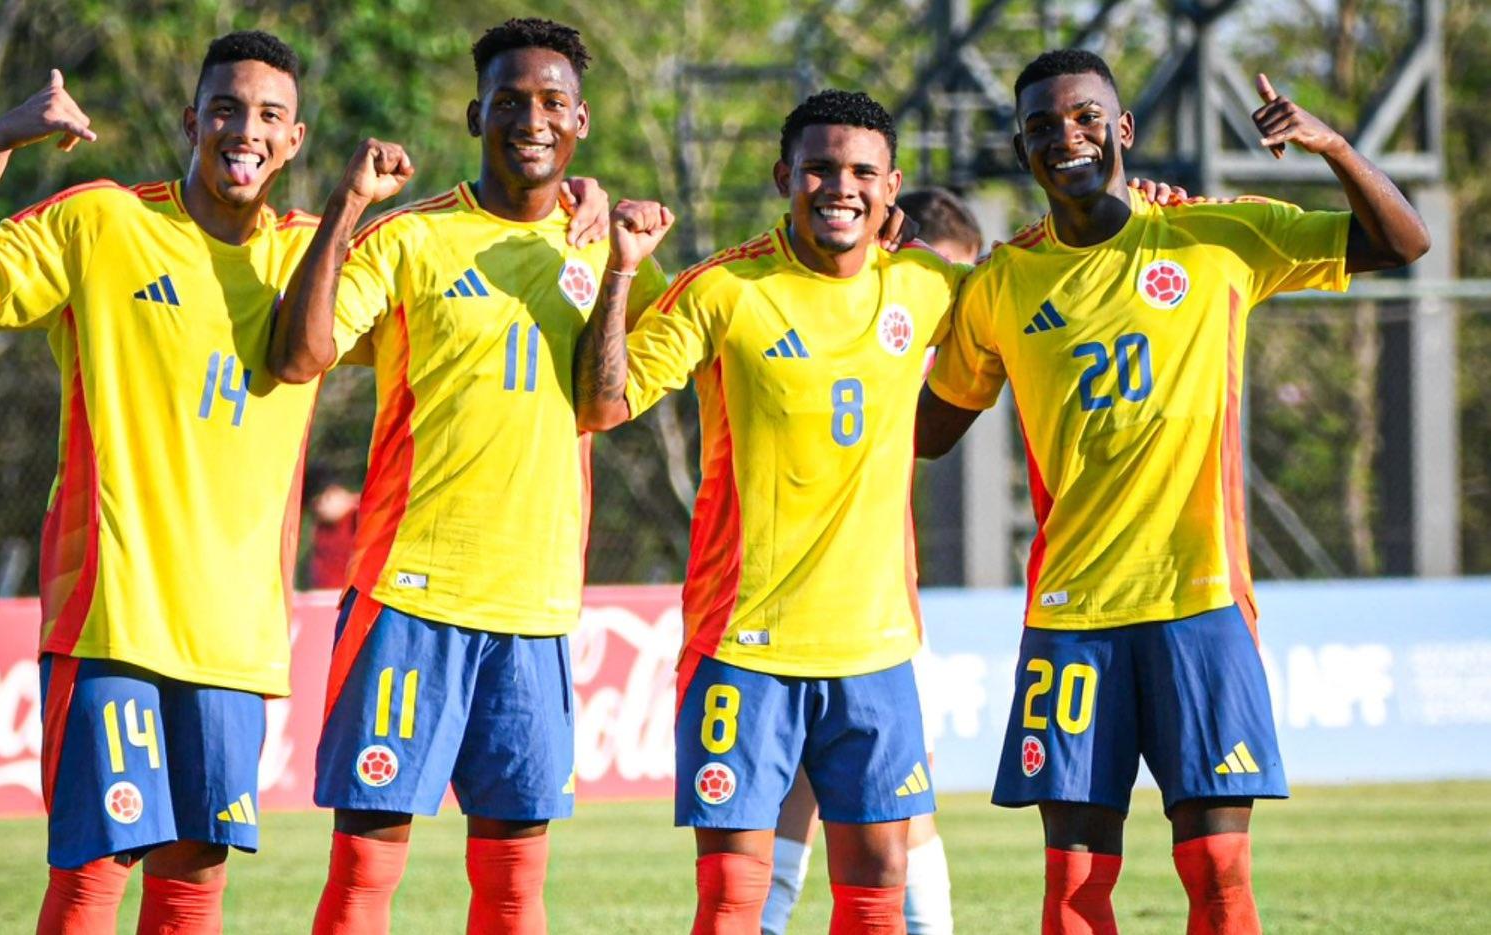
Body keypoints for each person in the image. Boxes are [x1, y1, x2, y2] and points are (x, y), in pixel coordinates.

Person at [915, 49, 1429, 935]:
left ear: (1124, 130)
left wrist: (1333, 147)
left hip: (1201, 605)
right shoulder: (1002, 283)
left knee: (1220, 876)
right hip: (1071, 613)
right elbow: (926, 431)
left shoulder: (1215, 236)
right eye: (1042, 126)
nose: (1064, 137)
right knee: (1073, 885)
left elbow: (1401, 242)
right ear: (1022, 147)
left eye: (1083, 118)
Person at [0, 31, 320, 934]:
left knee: (191, 887)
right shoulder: (103, 222)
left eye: (269, 117)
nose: (244, 130)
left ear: (294, 143)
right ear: (190, 122)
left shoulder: (316, 262)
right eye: (226, 108)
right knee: (93, 874)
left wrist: (577, 223)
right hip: (111, 616)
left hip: (234, 637)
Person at [268, 18, 666, 935]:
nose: (532, 118)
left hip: (535, 608)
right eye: (512, 100)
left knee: (516, 885)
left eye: (553, 103)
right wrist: (348, 205)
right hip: (411, 593)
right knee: (366, 869)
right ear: (475, 110)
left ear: (582, 122)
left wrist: (611, 260)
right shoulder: (412, 240)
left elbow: (604, 401)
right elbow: (304, 352)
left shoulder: (600, 245)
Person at [574, 89, 973, 935]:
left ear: (892, 188)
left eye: (863, 171)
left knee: (877, 887)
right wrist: (618, 272)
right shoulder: (724, 290)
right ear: (783, 174)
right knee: (733, 899)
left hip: (875, 650)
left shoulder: (928, 285)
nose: (841, 186)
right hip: (742, 644)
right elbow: (604, 404)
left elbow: (1051, 290)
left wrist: (1152, 204)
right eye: (821, 167)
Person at [760, 186, 982, 935]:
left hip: (876, 597)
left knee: (859, 794)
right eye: (943, 273)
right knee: (870, 794)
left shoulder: (899, 338)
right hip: (811, 597)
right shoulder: (864, 321)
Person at [302, 463, 361, 590]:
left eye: (319, 503)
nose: (319, 511)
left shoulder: (362, 514)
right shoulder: (322, 528)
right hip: (327, 599)